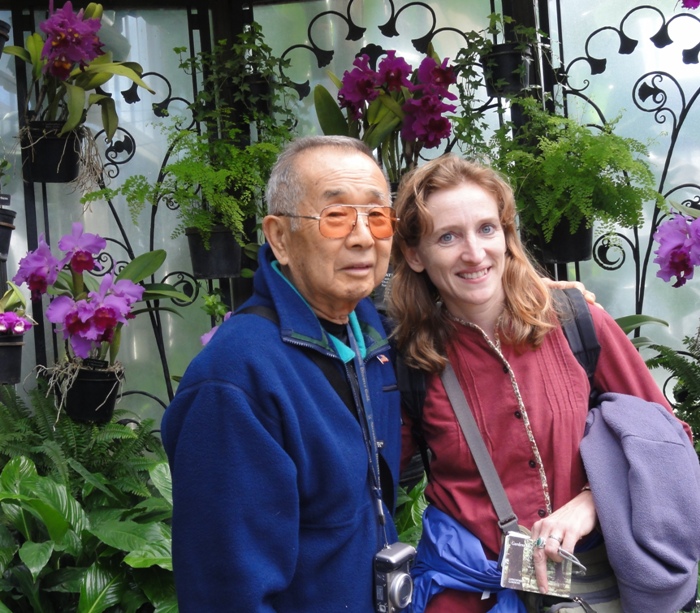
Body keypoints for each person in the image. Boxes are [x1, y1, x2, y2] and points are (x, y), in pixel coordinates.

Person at [387, 154, 693, 613]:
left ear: (507, 235)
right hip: (469, 590)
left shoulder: (577, 322)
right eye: (447, 237)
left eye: (487, 229)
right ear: (414, 254)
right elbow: (370, 482)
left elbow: (668, 443)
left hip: (586, 588)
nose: (474, 252)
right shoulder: (408, 359)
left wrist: (595, 500)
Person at [161, 135, 404, 612]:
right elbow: (226, 593)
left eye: (377, 217)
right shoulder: (236, 379)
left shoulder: (368, 333)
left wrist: (535, 293)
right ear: (279, 237)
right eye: (335, 217)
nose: (362, 236)